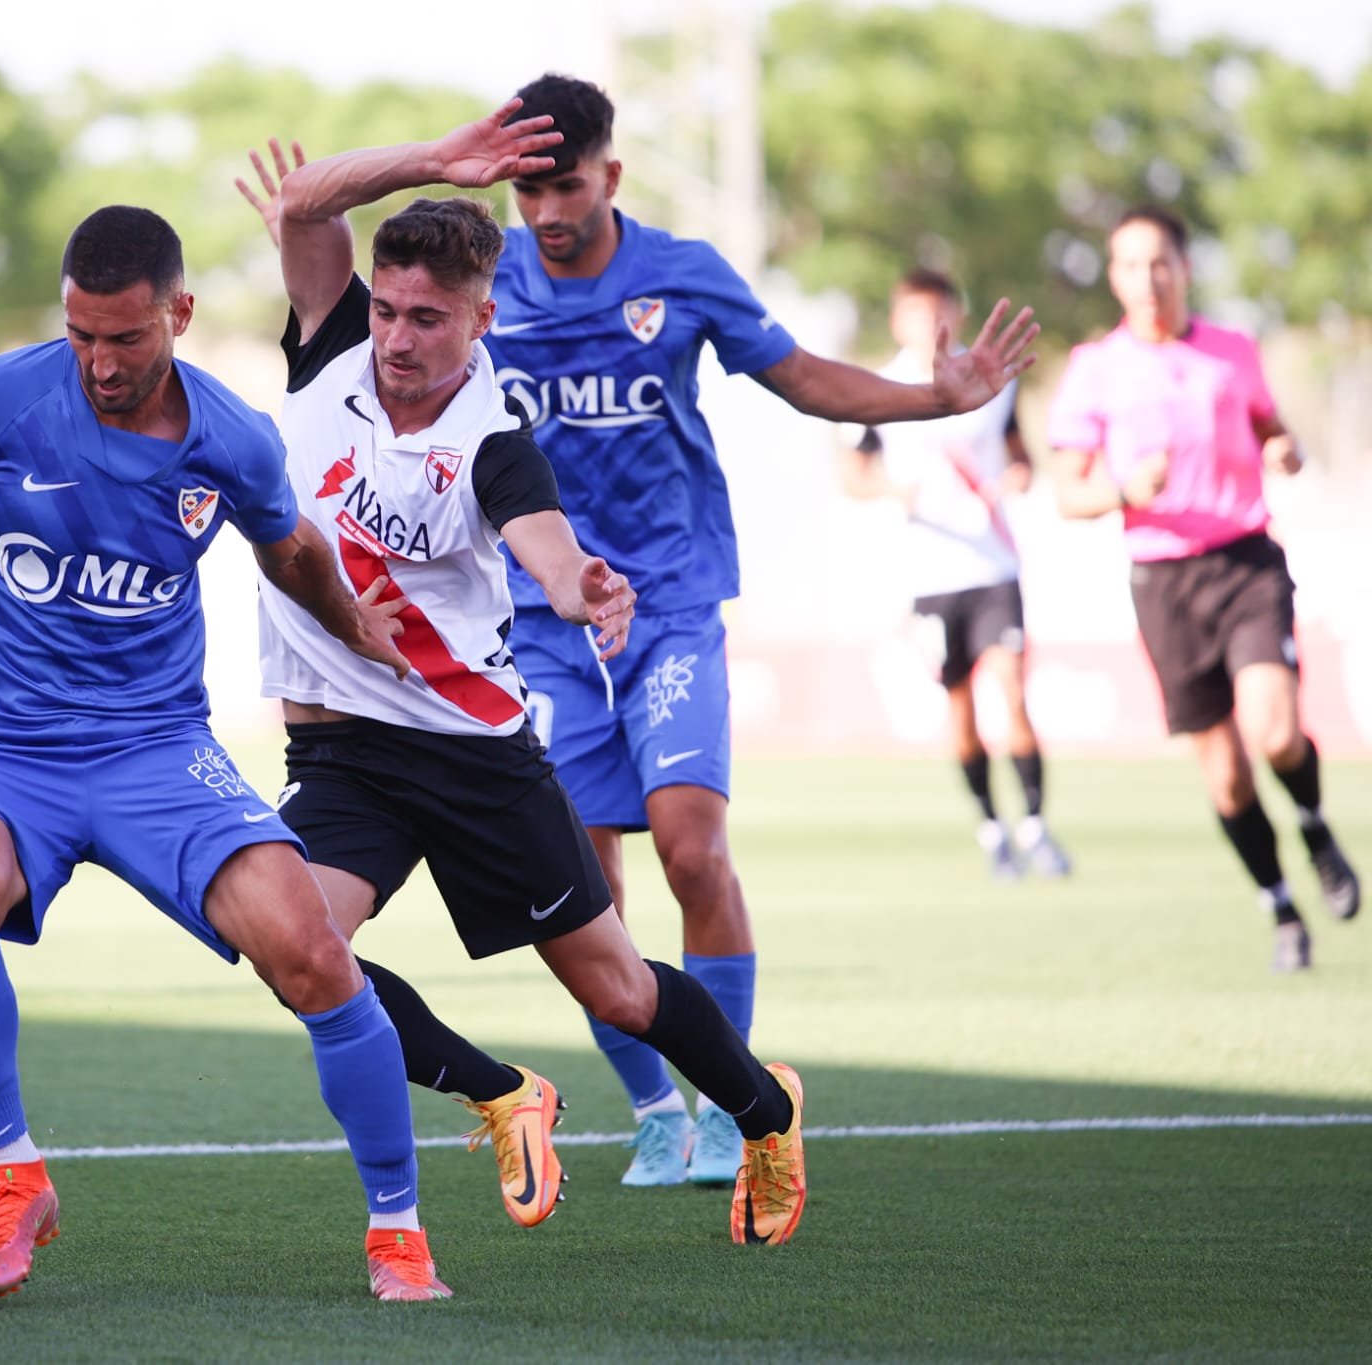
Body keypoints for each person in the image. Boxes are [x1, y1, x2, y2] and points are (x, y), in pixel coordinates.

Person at [0, 206, 453, 1302]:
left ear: (177, 314)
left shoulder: (231, 437)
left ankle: (397, 1232)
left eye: (123, 338)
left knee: (313, 951)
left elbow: (291, 547)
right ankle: (16, 1175)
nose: (98, 361)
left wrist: (353, 624)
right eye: (80, 334)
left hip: (154, 749)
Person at [235, 106, 807, 1248]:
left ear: (480, 319)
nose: (398, 338)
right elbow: (303, 206)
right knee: (295, 950)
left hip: (471, 755)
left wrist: (579, 587)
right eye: (388, 310)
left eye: (429, 320)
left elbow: (540, 538)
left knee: (618, 993)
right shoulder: (332, 346)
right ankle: (500, 1093)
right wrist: (436, 162)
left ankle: (763, 1113)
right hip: (340, 749)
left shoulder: (494, 436)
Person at [484, 74, 1036, 1187]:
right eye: (525, 187)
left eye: (565, 185)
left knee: (691, 847)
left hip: (673, 601)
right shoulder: (480, 279)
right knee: (572, 891)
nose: (544, 210)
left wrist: (934, 398)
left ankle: (727, 1098)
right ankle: (652, 1111)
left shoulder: (681, 274)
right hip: (541, 620)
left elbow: (803, 380)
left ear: (611, 175)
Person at [1047, 204, 1358, 972]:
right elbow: (1067, 494)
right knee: (1224, 774)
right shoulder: (1095, 368)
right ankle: (1281, 907)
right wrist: (1124, 489)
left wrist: (1282, 449)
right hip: (1163, 580)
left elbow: (1267, 427)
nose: (1147, 278)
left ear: (1183, 268)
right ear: (1114, 278)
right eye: (1129, 265)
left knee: (1277, 731)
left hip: (1245, 558)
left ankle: (1315, 824)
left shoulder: (1231, 350)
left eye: (1161, 262)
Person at [838, 268, 1072, 880]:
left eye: (936, 313)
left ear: (956, 316)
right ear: (896, 320)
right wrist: (897, 489)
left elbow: (1021, 456)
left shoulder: (989, 378)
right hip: (930, 575)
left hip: (992, 563)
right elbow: (852, 473)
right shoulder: (877, 387)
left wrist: (1016, 478)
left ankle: (1037, 825)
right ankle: (993, 829)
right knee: (962, 710)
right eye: (913, 313)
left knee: (1013, 690)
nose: (925, 325)